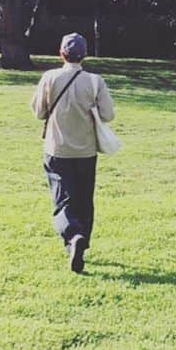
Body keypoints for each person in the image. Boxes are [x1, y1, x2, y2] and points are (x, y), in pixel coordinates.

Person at [30, 33, 115, 273]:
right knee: (84, 200)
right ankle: (80, 242)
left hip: (57, 149)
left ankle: (72, 235)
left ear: (61, 53)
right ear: (84, 55)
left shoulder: (50, 77)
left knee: (62, 201)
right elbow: (108, 114)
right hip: (86, 151)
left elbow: (38, 111)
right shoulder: (95, 81)